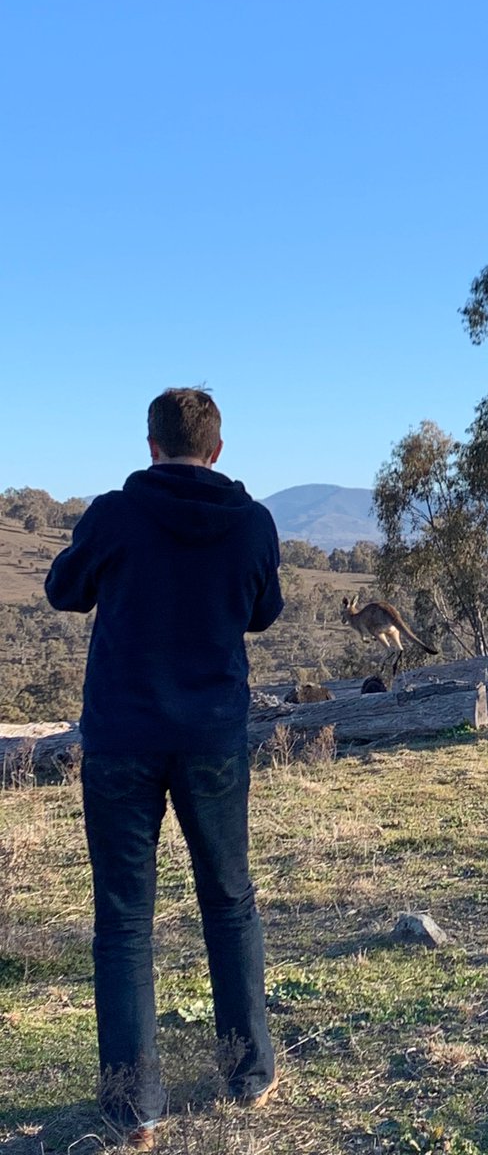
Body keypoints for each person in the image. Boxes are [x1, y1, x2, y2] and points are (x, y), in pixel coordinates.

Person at [45, 388, 283, 1151]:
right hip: (212, 738)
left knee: (122, 922)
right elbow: (264, 610)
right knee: (229, 900)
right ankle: (247, 1079)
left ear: (150, 446)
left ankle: (131, 1111)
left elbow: (62, 589)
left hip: (121, 739)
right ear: (217, 450)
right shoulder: (252, 523)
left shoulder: (114, 515)